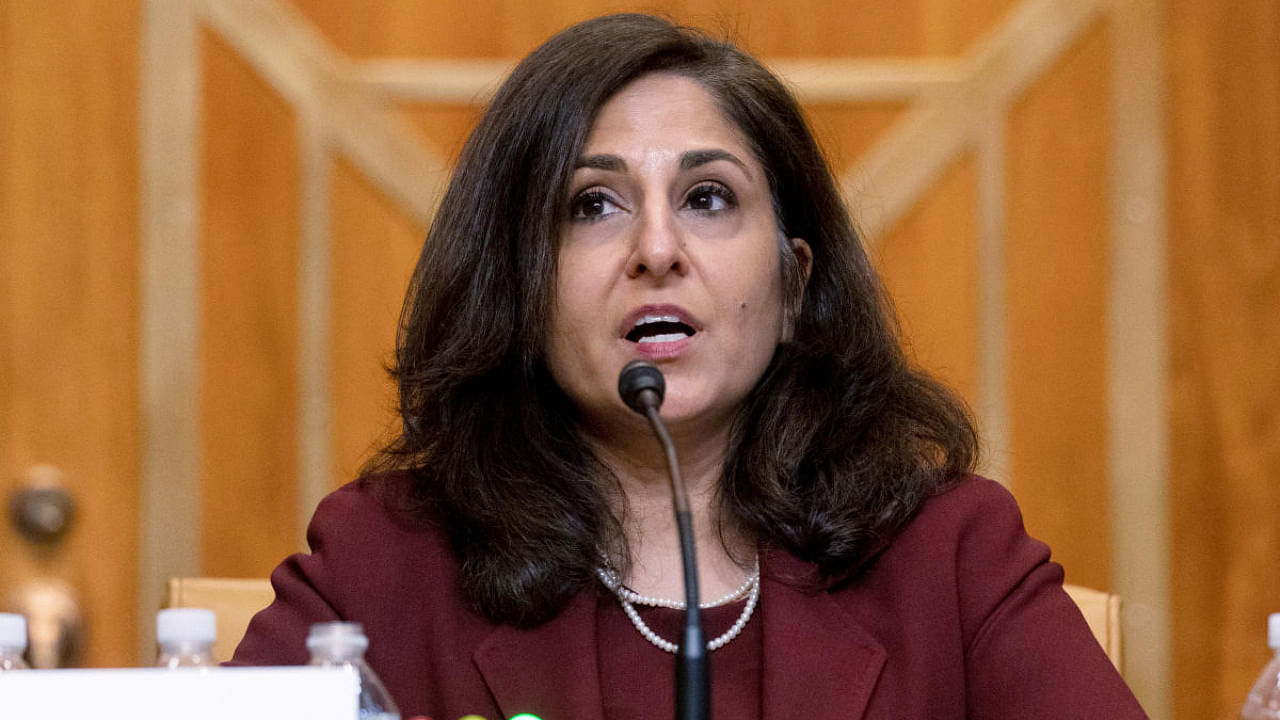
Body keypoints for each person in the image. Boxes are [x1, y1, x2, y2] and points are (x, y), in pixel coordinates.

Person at [231, 13, 1148, 720]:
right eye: (593, 205)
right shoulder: (383, 565)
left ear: (794, 286)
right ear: (520, 287)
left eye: (708, 197)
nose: (656, 248)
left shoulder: (948, 559)